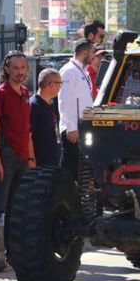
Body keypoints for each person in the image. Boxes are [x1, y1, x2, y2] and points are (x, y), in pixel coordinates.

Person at [0, 51, 33, 272]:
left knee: (16, 208)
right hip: (6, 155)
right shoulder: (0, 94)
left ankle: (13, 253)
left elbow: (28, 130)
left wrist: (31, 158)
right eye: (15, 68)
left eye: (23, 68)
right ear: (6, 69)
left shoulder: (24, 92)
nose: (20, 72)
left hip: (22, 157)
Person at [58, 39, 95, 178]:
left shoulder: (83, 71)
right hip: (73, 129)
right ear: (84, 52)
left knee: (81, 170)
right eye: (92, 52)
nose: (94, 56)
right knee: (70, 169)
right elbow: (64, 101)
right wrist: (71, 127)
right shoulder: (69, 71)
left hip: (83, 128)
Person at [30, 68, 62, 168]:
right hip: (41, 162)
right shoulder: (34, 105)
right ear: (51, 84)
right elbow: (28, 136)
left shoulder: (49, 103)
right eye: (59, 83)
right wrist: (31, 159)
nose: (60, 87)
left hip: (52, 160)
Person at [82, 20, 106, 93]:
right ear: (91, 36)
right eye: (101, 36)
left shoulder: (102, 70)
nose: (102, 40)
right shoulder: (81, 70)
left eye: (103, 55)